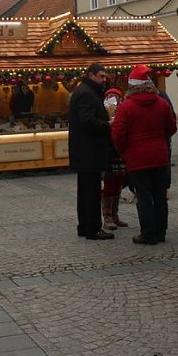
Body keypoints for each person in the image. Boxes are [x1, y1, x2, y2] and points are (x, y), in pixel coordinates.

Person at [111, 64, 177, 245]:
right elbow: (172, 127)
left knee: (144, 196)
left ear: (132, 85)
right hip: (160, 156)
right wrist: (160, 141)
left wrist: (124, 150)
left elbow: (118, 133)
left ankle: (148, 233)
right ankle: (161, 232)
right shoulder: (162, 103)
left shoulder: (127, 106)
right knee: (159, 196)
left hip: (137, 158)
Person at [69, 63, 114, 241]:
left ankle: (84, 226)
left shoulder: (85, 91)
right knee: (92, 192)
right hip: (89, 152)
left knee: (85, 191)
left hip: (85, 152)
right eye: (101, 76)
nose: (104, 80)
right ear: (91, 75)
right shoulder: (87, 94)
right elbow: (88, 121)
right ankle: (93, 228)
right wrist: (107, 125)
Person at [101, 88, 128, 231]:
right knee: (109, 185)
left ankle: (115, 214)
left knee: (118, 184)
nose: (114, 100)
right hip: (109, 153)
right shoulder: (103, 114)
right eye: (111, 98)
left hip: (119, 152)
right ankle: (107, 216)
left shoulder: (122, 112)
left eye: (116, 98)